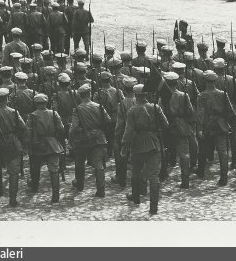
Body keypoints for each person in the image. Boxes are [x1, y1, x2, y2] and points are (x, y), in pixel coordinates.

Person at [122, 84, 169, 215]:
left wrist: (124, 145)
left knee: (136, 173)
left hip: (137, 145)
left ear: (136, 95)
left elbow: (128, 131)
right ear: (146, 95)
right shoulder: (155, 107)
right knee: (154, 176)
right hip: (153, 143)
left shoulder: (132, 110)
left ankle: (136, 197)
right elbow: (166, 124)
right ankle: (153, 207)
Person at [0, 87, 28, 207]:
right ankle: (12, 199)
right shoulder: (14, 112)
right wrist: (22, 142)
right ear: (7, 99)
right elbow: (23, 127)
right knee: (14, 172)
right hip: (12, 142)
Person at [68, 84, 112, 197]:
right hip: (98, 137)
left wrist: (71, 141)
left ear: (80, 96)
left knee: (80, 162)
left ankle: (80, 185)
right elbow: (108, 120)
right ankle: (101, 190)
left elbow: (73, 128)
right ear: (90, 94)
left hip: (83, 139)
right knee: (98, 164)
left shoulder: (77, 109)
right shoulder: (99, 106)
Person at [196, 69, 235, 186]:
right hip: (221, 125)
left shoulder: (201, 95)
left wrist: (199, 129)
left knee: (203, 150)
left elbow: (200, 114)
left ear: (205, 81)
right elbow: (230, 111)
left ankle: (201, 172)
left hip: (207, 125)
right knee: (222, 152)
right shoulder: (223, 94)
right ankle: (224, 177)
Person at [28, 93, 65, 204]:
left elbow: (28, 131)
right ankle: (55, 196)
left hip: (37, 145)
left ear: (36, 103)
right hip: (53, 144)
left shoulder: (32, 115)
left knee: (35, 168)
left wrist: (29, 144)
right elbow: (61, 128)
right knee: (54, 170)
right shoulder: (54, 113)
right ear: (46, 102)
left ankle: (35, 187)